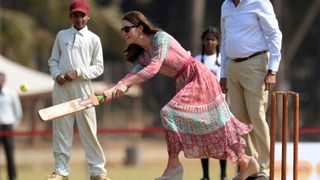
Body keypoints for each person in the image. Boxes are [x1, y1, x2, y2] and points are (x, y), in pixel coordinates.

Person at [101, 10, 260, 180]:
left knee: (170, 113)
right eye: (122, 30)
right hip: (184, 80)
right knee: (214, 126)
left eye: (127, 29)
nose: (123, 33)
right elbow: (132, 74)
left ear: (140, 28)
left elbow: (154, 67)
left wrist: (125, 84)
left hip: (198, 77)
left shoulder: (160, 38)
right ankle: (245, 162)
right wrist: (115, 88)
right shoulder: (144, 55)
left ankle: (174, 166)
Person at [220, 0, 282, 179]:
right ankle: (250, 165)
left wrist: (273, 69)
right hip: (233, 67)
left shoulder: (260, 2)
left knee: (256, 115)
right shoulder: (226, 5)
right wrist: (223, 72)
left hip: (256, 63)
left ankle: (265, 168)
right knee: (239, 120)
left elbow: (275, 34)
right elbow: (224, 39)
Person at [46, 0, 109, 180]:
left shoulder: (94, 39)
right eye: (76, 15)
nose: (79, 18)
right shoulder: (62, 35)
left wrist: (78, 72)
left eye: (82, 15)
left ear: (88, 16)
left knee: (89, 128)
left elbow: (99, 67)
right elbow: (53, 60)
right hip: (61, 87)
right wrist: (57, 74)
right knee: (61, 129)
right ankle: (61, 171)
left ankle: (97, 171)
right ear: (70, 16)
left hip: (83, 87)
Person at [195, 26, 227, 180]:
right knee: (204, 142)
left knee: (221, 142)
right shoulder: (197, 60)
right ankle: (205, 176)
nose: (210, 42)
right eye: (207, 39)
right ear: (203, 40)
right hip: (202, 106)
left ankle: (223, 175)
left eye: (213, 39)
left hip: (219, 105)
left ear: (218, 41)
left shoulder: (222, 61)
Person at [0, 72, 23, 180]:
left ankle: (12, 177)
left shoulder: (11, 93)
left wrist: (14, 125)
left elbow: (18, 111)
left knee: (9, 153)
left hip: (7, 126)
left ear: (4, 80)